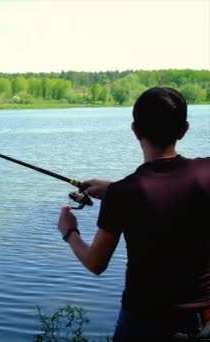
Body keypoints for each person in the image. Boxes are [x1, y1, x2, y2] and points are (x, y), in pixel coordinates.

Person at [57, 87, 210, 341]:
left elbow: (96, 263)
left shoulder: (125, 193)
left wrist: (69, 232)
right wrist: (115, 190)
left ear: (135, 130)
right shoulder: (206, 173)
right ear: (184, 129)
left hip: (145, 324)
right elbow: (168, 188)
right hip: (203, 321)